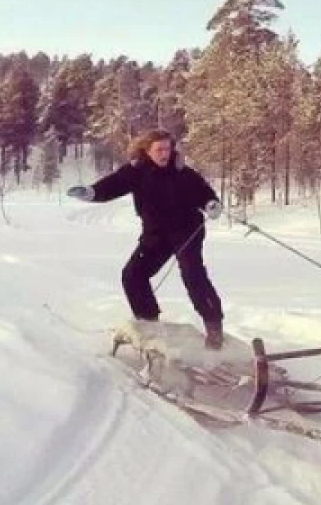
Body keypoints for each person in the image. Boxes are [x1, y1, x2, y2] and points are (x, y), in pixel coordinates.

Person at [68, 129, 225, 349]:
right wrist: (91, 192)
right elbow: (112, 185)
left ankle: (214, 326)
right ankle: (149, 324)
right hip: (156, 235)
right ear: (147, 151)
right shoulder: (136, 172)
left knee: (193, 275)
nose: (164, 154)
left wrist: (212, 204)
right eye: (159, 149)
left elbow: (205, 194)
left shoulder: (183, 173)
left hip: (187, 231)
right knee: (133, 275)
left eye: (167, 149)